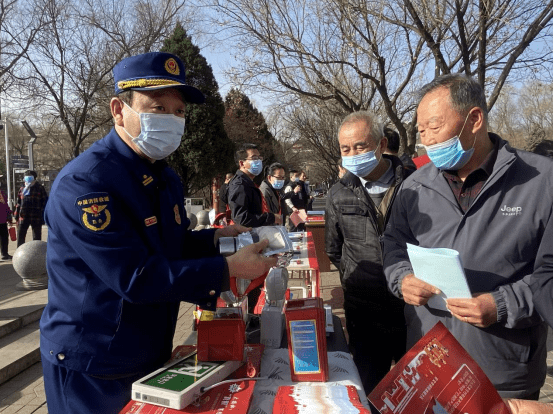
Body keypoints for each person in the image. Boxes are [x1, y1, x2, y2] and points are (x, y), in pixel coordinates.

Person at [39, 52, 277, 414]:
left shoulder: (163, 176)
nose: (172, 120)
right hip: (94, 362)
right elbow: (133, 276)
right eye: (157, 108)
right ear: (119, 109)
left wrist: (215, 238)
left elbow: (170, 245)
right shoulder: (87, 184)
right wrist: (228, 270)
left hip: (147, 348)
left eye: (179, 112)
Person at [383, 74, 552, 400]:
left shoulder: (542, 182)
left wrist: (502, 304)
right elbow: (392, 244)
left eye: (434, 127)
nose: (427, 140)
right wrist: (402, 277)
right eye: (421, 132)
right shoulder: (414, 186)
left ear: (474, 119)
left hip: (503, 370)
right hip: (430, 361)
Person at [325, 111, 407, 399]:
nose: (352, 154)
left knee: (420, 388)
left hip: (412, 308)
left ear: (381, 143)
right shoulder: (338, 193)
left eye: (360, 146)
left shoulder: (415, 184)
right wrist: (354, 278)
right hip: (364, 310)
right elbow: (334, 249)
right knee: (369, 389)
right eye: (345, 149)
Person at [227, 143, 282, 227]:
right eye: (254, 158)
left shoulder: (249, 183)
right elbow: (241, 219)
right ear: (242, 163)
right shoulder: (239, 185)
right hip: (247, 236)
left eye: (259, 158)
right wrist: (271, 217)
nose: (259, 161)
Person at [13, 169, 48, 247]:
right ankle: (20, 253)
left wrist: (43, 215)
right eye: (26, 176)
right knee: (21, 236)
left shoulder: (39, 188)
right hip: (23, 216)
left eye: (30, 176)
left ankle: (36, 253)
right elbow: (18, 203)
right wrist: (16, 215)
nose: (27, 178)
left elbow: (44, 202)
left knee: (37, 238)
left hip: (36, 216)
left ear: (34, 178)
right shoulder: (22, 188)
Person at [0, 175, 13, 260]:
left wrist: (9, 217)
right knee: (3, 238)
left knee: (4, 238)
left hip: (2, 220)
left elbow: (5, 206)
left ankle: (4, 254)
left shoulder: (2, 192)